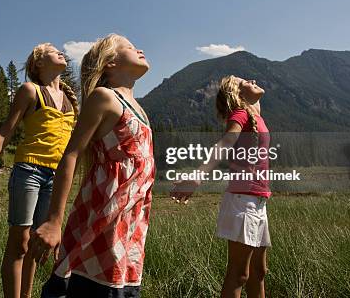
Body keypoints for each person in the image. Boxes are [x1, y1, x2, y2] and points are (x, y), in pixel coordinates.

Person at [29, 34, 154, 298]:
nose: (140, 48)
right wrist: (54, 221)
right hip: (101, 216)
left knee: (123, 288)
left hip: (131, 225)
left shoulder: (140, 111)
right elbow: (71, 155)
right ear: (110, 63)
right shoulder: (105, 98)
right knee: (92, 288)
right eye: (130, 47)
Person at [0, 43, 78, 298]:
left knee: (36, 244)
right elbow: (4, 132)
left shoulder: (70, 101)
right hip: (29, 171)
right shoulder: (30, 90)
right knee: (20, 243)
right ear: (39, 64)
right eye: (52, 50)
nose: (60, 52)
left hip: (57, 179)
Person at [171, 76, 271, 298]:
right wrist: (198, 176)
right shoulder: (240, 114)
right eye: (244, 80)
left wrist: (250, 96)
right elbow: (225, 143)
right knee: (239, 274)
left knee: (258, 272)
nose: (253, 79)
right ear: (238, 94)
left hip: (257, 202)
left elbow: (254, 102)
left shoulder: (254, 115)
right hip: (243, 203)